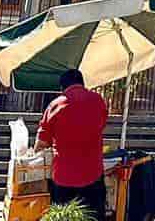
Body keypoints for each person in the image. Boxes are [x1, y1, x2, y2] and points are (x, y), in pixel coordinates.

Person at [36, 68, 109, 212]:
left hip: (64, 176)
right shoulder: (99, 101)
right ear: (82, 83)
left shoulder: (55, 105)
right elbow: (101, 125)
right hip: (93, 173)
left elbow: (41, 144)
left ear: (62, 87)